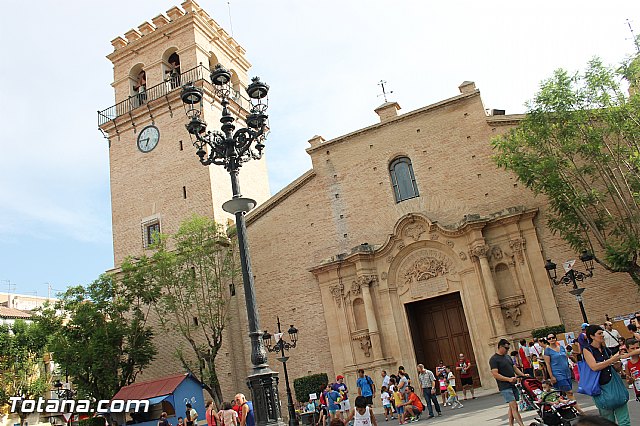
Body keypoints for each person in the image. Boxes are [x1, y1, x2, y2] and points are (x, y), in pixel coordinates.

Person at [582, 324, 634, 425]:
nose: (602, 335)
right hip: (600, 386)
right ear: (592, 336)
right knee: (607, 421)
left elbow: (614, 366)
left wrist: (617, 363)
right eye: (599, 333)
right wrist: (611, 360)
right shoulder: (587, 350)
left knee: (624, 420)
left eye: (602, 333)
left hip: (614, 383)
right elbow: (594, 366)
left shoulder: (605, 349)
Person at [489, 338, 526, 426]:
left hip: (513, 384)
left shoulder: (507, 357)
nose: (507, 350)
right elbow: (495, 374)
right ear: (500, 347)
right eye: (506, 348)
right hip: (504, 386)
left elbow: (514, 368)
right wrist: (508, 379)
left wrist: (523, 375)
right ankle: (521, 425)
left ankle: (511, 424)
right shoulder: (494, 359)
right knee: (514, 407)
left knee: (511, 407)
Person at [543, 333, 574, 399]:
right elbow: (548, 364)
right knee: (569, 392)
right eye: (549, 338)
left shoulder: (562, 348)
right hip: (557, 373)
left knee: (564, 394)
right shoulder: (547, 350)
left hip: (566, 372)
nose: (551, 339)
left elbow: (566, 358)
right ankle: (579, 409)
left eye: (553, 337)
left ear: (555, 338)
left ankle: (569, 406)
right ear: (547, 340)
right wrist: (551, 376)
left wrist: (569, 364)